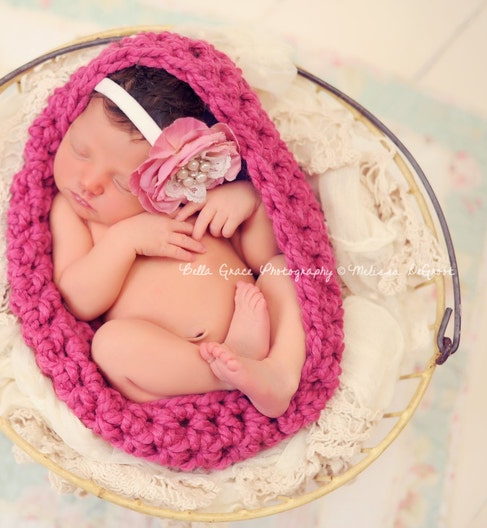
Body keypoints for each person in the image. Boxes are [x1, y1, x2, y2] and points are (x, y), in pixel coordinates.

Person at [48, 66, 306, 418]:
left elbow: (261, 258)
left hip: (255, 319)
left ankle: (280, 372)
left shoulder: (191, 197)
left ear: (171, 175)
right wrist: (124, 240)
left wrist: (250, 202)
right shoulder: (74, 213)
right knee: (110, 345)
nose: (90, 182)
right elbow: (78, 299)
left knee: (284, 270)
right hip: (170, 369)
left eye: (123, 184)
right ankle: (228, 376)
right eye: (80, 150)